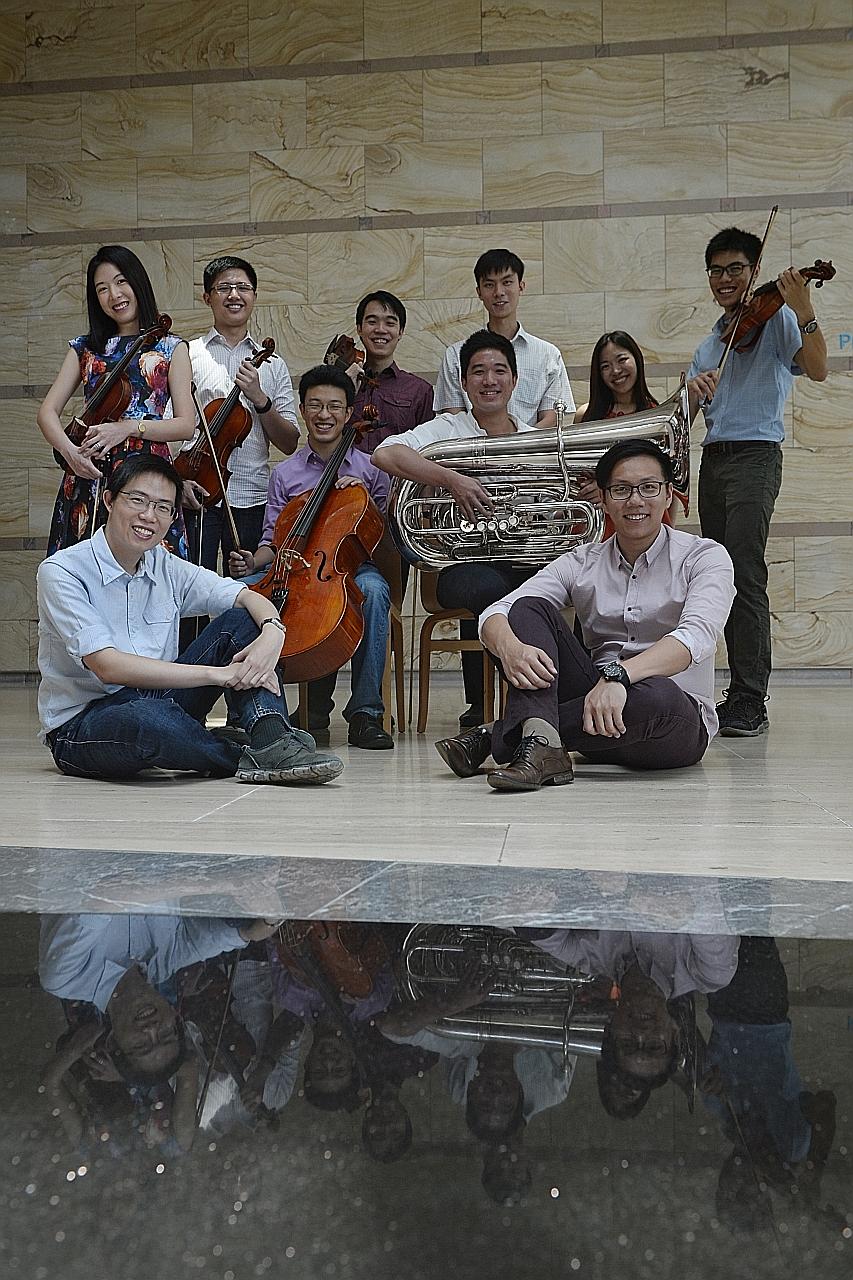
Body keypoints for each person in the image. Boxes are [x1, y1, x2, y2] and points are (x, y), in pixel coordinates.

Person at [434, 438, 736, 791]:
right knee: (529, 608)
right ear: (604, 500)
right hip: (596, 713)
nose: (635, 500)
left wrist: (619, 677)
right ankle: (543, 744)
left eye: (649, 488)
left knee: (660, 695)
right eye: (621, 490)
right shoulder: (582, 560)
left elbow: (694, 638)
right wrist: (509, 648)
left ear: (669, 495)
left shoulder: (705, 557)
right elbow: (497, 612)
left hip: (667, 725)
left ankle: (502, 736)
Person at [36, 453, 343, 784]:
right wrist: (220, 675)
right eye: (138, 500)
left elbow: (245, 596)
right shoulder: (62, 572)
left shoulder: (164, 564)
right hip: (83, 724)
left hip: (161, 700)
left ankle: (271, 738)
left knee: (243, 623)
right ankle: (241, 754)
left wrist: (272, 633)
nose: (148, 516)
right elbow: (107, 666)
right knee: (148, 721)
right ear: (109, 501)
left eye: (163, 507)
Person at [687, 226, 828, 737]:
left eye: (736, 269)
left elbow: (818, 370)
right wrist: (693, 391)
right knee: (717, 576)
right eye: (717, 270)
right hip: (714, 460)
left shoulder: (777, 322)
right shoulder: (710, 345)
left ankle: (750, 698)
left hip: (755, 457)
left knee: (745, 571)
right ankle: (725, 690)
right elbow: (682, 413)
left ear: (752, 271)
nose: (726, 279)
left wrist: (804, 308)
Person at [374, 329, 541, 727]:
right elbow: (384, 453)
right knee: (493, 590)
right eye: (478, 372)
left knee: (558, 584)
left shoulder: (537, 440)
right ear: (464, 383)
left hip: (526, 556)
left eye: (499, 370)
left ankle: (529, 703)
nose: (489, 380)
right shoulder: (447, 431)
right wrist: (452, 479)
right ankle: (517, 705)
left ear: (514, 381)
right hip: (459, 566)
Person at [229, 366, 394, 750]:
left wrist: (363, 500)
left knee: (374, 591)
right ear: (302, 410)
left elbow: (385, 536)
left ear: (349, 413)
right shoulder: (285, 474)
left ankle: (366, 714)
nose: (325, 414)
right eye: (316, 405)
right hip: (289, 567)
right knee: (237, 594)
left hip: (348, 568)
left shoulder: (371, 469)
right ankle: (251, 713)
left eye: (335, 406)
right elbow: (274, 541)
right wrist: (252, 564)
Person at [37, 244, 196, 558]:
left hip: (147, 474)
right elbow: (47, 412)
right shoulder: (85, 348)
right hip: (91, 472)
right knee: (84, 575)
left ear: (138, 282)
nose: (114, 294)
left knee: (151, 572)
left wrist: (127, 429)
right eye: (102, 289)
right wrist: (71, 455)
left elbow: (186, 425)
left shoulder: (171, 347)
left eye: (121, 281)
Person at [39, 913, 281, 1084]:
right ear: (174, 1014)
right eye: (166, 1034)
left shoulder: (65, 978)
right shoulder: (169, 959)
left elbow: (101, 892)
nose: (152, 1029)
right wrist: (256, 928)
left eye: (140, 1044)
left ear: (112, 1042)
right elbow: (228, 937)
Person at [185, 254, 300, 568]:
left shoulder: (273, 365)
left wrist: (259, 398)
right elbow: (173, 423)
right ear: (207, 297)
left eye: (242, 288)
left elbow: (289, 442)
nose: (234, 295)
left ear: (254, 296)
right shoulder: (189, 355)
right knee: (193, 593)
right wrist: (176, 480)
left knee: (248, 594)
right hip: (197, 493)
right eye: (224, 288)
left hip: (252, 495)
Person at [434, 248, 574, 428]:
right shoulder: (455, 354)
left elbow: (554, 417)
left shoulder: (547, 354)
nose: (499, 292)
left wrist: (515, 446)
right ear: (479, 292)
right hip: (474, 453)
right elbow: (453, 417)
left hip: (530, 453)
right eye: (489, 285)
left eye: (507, 282)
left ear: (521, 286)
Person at [574, 329, 686, 526]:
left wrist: (670, 530)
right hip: (599, 521)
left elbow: (671, 481)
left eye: (622, 360)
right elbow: (575, 476)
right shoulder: (586, 416)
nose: (616, 371)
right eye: (605, 366)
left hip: (645, 519)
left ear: (637, 359)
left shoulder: (660, 418)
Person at [349, 290, 435, 455]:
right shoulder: (342, 384)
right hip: (344, 479)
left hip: (396, 479)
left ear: (401, 331)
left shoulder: (419, 390)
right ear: (359, 329)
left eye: (390, 323)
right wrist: (344, 388)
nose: (381, 329)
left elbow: (427, 452)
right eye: (372, 322)